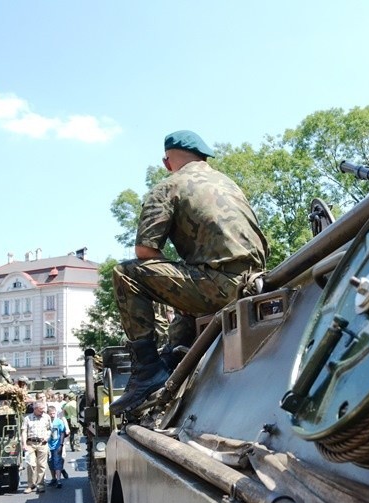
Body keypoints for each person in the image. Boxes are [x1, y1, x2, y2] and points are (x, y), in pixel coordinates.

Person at [109, 130, 269, 416]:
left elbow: (145, 252)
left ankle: (147, 370)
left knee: (126, 274)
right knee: (185, 294)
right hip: (256, 283)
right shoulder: (229, 184)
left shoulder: (169, 186)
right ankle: (176, 356)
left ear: (167, 161)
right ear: (204, 157)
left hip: (218, 286)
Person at [20, 401, 51, 493]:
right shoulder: (27, 418)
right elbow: (24, 431)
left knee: (42, 465)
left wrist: (47, 437)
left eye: (43, 409)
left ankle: (40, 484)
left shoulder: (46, 417)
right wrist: (24, 444)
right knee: (31, 464)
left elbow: (49, 429)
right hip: (30, 443)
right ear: (35, 409)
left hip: (42, 443)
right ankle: (31, 485)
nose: (43, 411)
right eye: (41, 410)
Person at [45, 405, 69, 488]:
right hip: (47, 445)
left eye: (53, 413)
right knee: (50, 462)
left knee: (57, 461)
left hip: (57, 445)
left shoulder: (59, 422)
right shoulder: (45, 421)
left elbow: (62, 432)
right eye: (50, 414)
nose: (52, 415)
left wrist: (61, 444)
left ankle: (59, 480)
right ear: (47, 414)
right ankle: (53, 478)